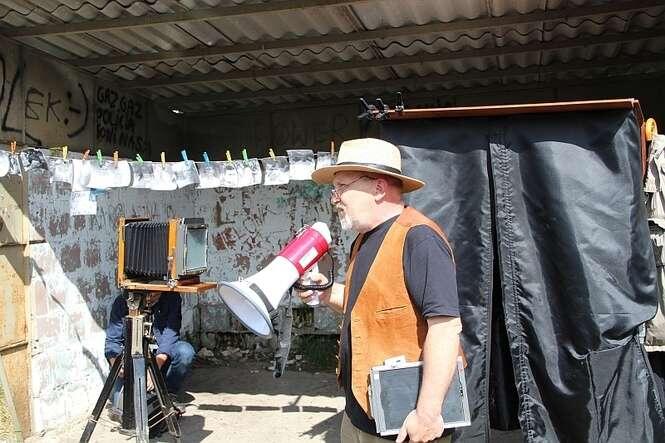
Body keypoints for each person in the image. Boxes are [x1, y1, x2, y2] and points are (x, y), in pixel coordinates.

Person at [300, 138, 462, 443]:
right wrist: (325, 293)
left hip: (404, 424)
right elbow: (366, 307)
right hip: (361, 415)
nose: (335, 198)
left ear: (377, 188)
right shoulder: (363, 240)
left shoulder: (419, 239)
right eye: (334, 189)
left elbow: (445, 328)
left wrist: (427, 415)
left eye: (342, 187)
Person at [104, 291, 195, 413]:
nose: (149, 299)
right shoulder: (122, 301)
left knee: (185, 352)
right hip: (132, 361)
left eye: (154, 295)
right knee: (123, 409)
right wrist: (117, 365)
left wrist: (154, 372)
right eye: (146, 295)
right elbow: (112, 341)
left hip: (159, 356)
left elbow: (171, 334)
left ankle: (168, 393)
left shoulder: (172, 298)